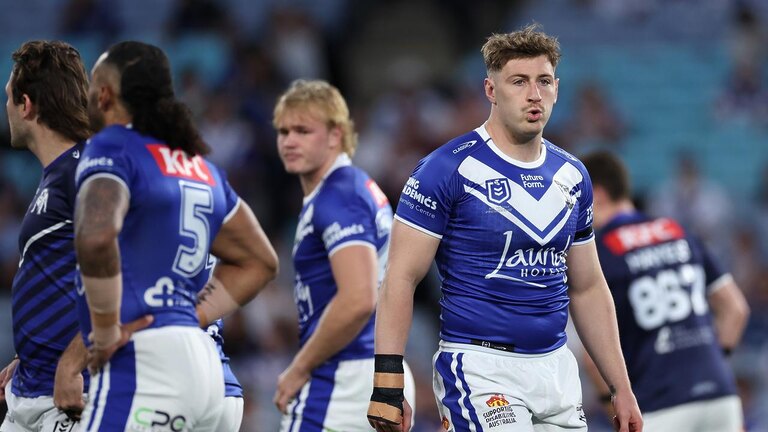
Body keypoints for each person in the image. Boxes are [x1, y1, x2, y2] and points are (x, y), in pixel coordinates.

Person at [367, 24, 643, 432]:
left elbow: (587, 286)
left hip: (557, 369)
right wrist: (387, 383)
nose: (534, 94)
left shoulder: (573, 175)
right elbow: (401, 278)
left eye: (544, 81)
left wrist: (620, 387)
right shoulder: (445, 170)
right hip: (481, 369)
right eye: (519, 81)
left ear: (556, 89)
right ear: (491, 91)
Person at [74, 41, 278, 430]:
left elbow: (96, 237)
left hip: (145, 361)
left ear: (104, 94)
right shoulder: (201, 166)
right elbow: (261, 261)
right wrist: (190, 316)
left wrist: (103, 333)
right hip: (207, 371)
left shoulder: (112, 146)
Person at [272, 79, 415, 431]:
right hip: (373, 368)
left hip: (344, 377)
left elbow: (358, 297)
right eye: (283, 131)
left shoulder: (338, 194)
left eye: (303, 130)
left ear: (335, 135)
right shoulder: (354, 187)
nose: (289, 141)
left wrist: (299, 367)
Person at [581, 150, 750, 432]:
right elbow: (735, 309)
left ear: (596, 194)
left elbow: (593, 353)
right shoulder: (678, 231)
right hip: (720, 396)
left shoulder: (600, 253)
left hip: (658, 403)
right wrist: (709, 363)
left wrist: (612, 405)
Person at [0, 40, 92, 432]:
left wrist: (74, 360)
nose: (5, 109)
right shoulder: (56, 175)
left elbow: (135, 275)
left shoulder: (87, 172)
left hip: (68, 397)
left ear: (27, 104)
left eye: (8, 97)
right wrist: (33, 352)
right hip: (30, 388)